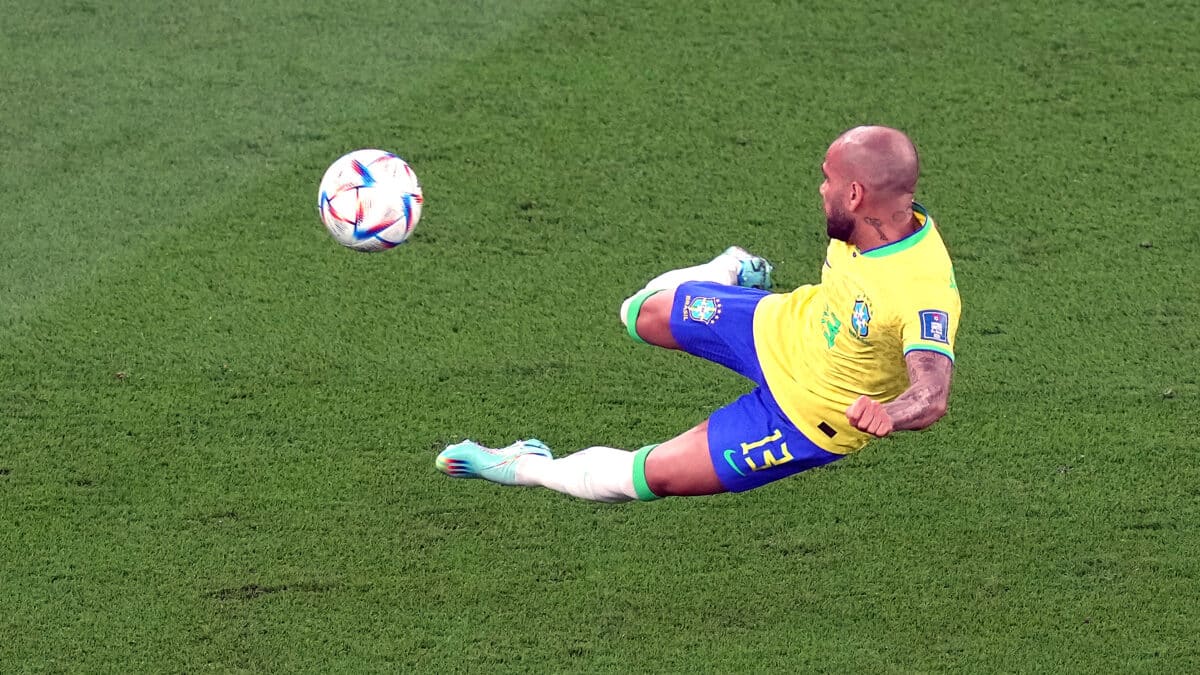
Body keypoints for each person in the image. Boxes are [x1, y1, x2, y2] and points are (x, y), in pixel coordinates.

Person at [436, 125, 960, 502]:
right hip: (780, 325)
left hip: (804, 418)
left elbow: (932, 393)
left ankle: (522, 465)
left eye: (826, 180)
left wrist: (888, 414)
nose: (820, 189)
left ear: (855, 192)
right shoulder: (871, 222)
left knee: (646, 477)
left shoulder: (920, 289)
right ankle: (729, 268)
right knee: (638, 313)